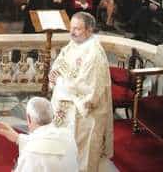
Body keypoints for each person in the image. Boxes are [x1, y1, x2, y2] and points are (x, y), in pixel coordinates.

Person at [48, 12, 114, 172]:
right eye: (71, 28)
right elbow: (61, 62)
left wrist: (59, 81)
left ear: (89, 30)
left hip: (85, 114)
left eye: (77, 29)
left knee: (82, 156)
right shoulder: (74, 44)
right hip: (65, 105)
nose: (72, 32)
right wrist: (54, 73)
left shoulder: (94, 55)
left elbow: (87, 89)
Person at [0, 97, 79, 172]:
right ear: (53, 116)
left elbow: (39, 148)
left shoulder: (30, 153)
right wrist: (18, 138)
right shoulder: (68, 136)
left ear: (28, 118)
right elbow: (47, 143)